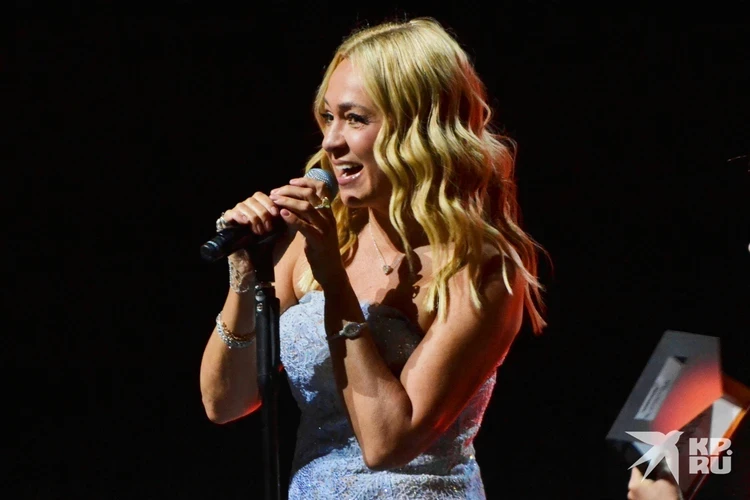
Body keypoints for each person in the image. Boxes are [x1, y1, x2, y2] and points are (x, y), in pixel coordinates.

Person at [200, 17, 547, 498]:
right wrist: (244, 276)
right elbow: (225, 403)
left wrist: (334, 282)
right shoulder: (326, 236)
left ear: (418, 128)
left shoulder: (481, 267)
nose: (331, 141)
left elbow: (388, 443)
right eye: (328, 117)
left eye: (356, 119)